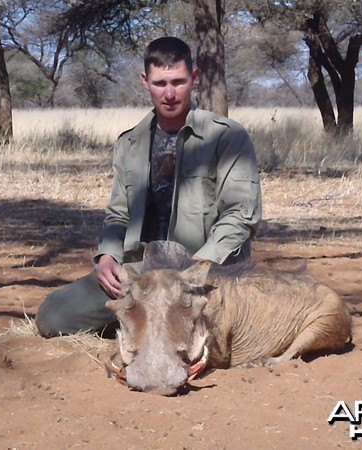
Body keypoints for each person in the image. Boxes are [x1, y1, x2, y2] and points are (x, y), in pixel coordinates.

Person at [35, 36, 262, 337]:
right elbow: (118, 216)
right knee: (53, 316)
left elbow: (240, 216)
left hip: (206, 272)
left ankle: (149, 321)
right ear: (145, 81)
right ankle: (146, 316)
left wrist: (196, 269)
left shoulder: (228, 137)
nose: (169, 93)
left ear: (193, 79)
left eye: (178, 82)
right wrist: (107, 257)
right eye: (160, 83)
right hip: (144, 271)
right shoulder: (129, 142)